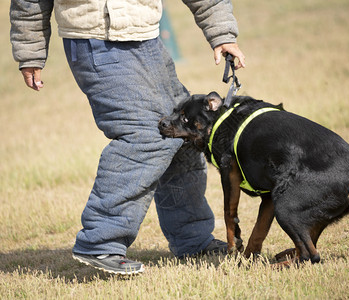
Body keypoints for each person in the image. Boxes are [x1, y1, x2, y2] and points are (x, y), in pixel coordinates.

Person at [10, 0, 246, 275]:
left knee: (182, 136)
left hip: (146, 39)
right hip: (94, 40)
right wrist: (30, 52)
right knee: (144, 136)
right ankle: (100, 242)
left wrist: (222, 33)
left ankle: (193, 240)